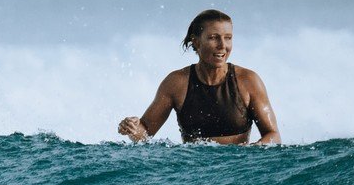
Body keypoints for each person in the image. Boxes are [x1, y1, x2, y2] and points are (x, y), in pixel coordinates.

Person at [118, 9, 281, 145]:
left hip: (236, 173)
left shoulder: (248, 81)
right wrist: (132, 128)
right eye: (213, 37)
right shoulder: (176, 83)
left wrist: (255, 149)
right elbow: (145, 132)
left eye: (228, 38)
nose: (222, 45)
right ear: (196, 42)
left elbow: (273, 135)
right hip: (194, 173)